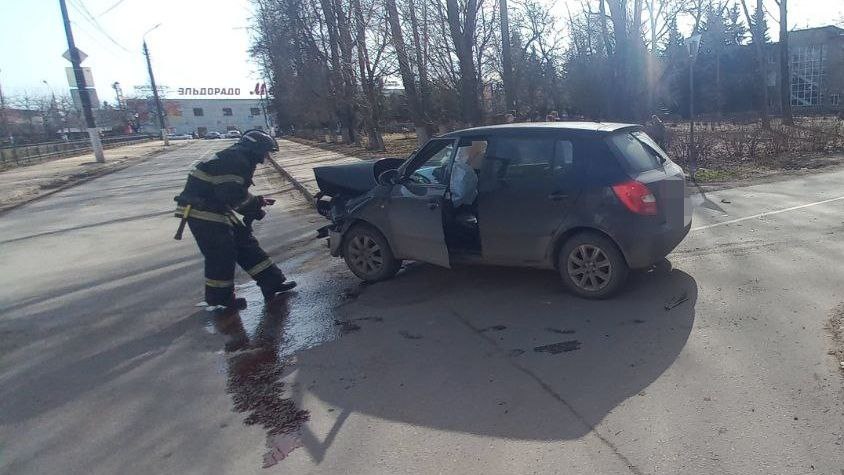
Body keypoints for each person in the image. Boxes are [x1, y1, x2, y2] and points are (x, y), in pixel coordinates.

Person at [174, 129, 296, 309]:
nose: (265, 157)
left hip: (215, 208)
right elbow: (231, 195)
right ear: (254, 149)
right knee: (221, 253)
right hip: (201, 211)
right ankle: (220, 298)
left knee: (245, 244)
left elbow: (234, 191)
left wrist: (257, 202)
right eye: (264, 151)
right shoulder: (235, 160)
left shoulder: (237, 157)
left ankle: (271, 282)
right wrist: (254, 208)